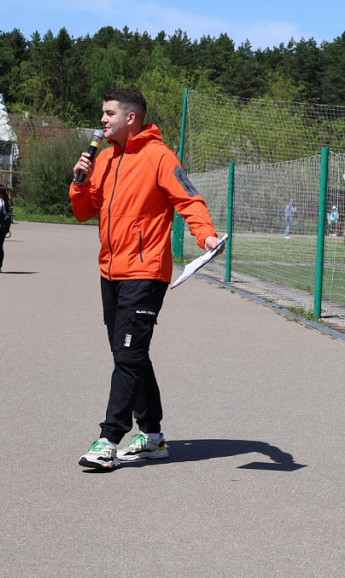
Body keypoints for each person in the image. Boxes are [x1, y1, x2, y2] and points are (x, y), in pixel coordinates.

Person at [71, 88, 219, 471]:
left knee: (128, 354)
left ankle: (109, 438)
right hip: (110, 271)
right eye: (102, 113)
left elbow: (189, 199)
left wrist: (206, 236)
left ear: (131, 117)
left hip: (146, 271)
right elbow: (83, 212)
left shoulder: (159, 156)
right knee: (130, 355)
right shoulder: (104, 158)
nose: (102, 120)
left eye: (109, 113)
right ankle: (152, 436)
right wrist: (80, 181)